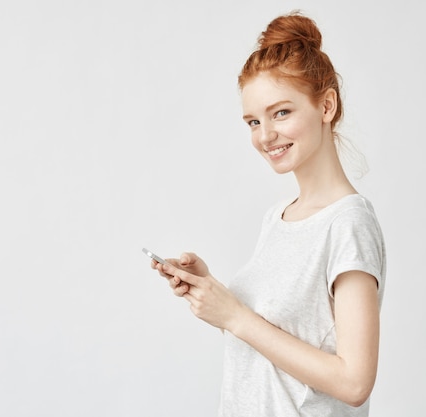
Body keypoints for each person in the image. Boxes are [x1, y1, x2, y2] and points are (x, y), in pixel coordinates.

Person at [151, 11, 386, 417]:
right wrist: (212, 291)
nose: (264, 136)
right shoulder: (279, 217)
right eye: (253, 121)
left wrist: (236, 316)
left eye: (281, 113)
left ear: (326, 105)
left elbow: (355, 381)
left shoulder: (349, 224)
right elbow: (274, 333)